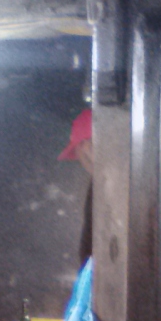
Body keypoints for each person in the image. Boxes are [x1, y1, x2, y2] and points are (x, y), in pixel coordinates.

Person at [57, 108, 93, 265]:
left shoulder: (108, 189)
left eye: (76, 151)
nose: (79, 160)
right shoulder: (103, 185)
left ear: (86, 147)